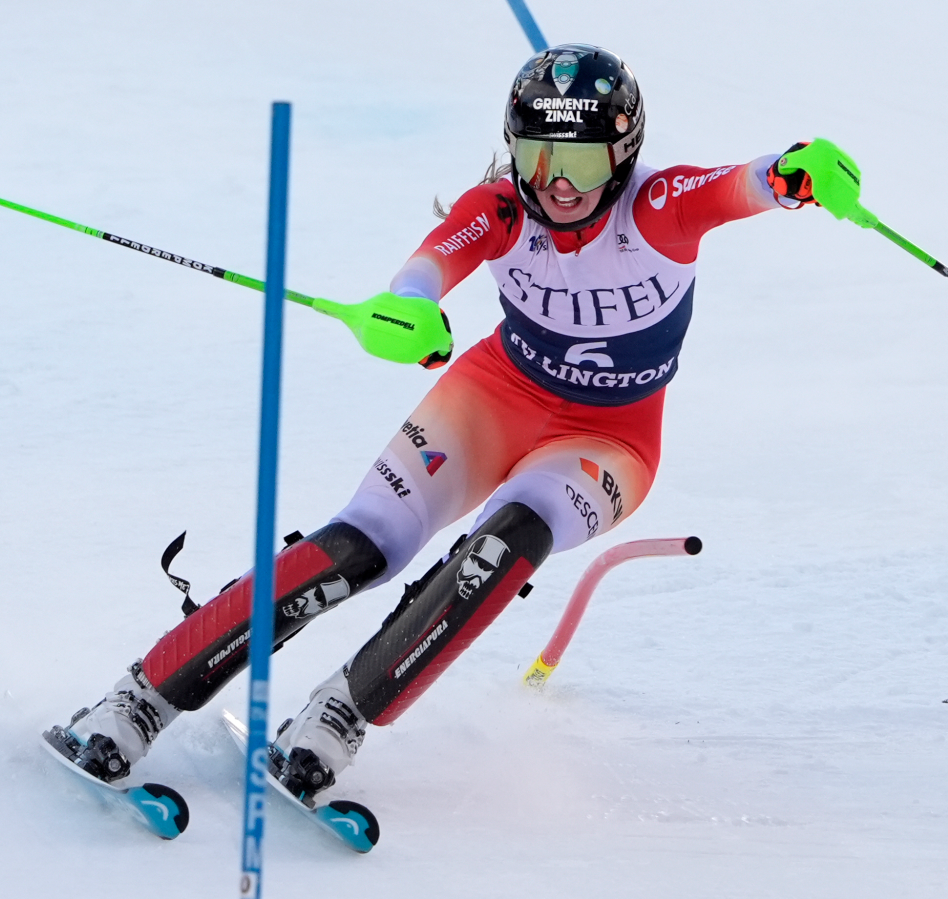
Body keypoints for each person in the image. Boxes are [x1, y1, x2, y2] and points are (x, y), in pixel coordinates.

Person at [44, 43, 821, 799]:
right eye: (537, 155)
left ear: (624, 153)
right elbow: (426, 269)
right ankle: (138, 699)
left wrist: (794, 173)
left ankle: (339, 716)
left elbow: (742, 184)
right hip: (496, 395)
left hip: (610, 439)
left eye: (580, 161)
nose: (557, 184)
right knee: (360, 543)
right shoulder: (502, 208)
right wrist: (408, 308)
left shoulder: (660, 206)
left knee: (514, 535)